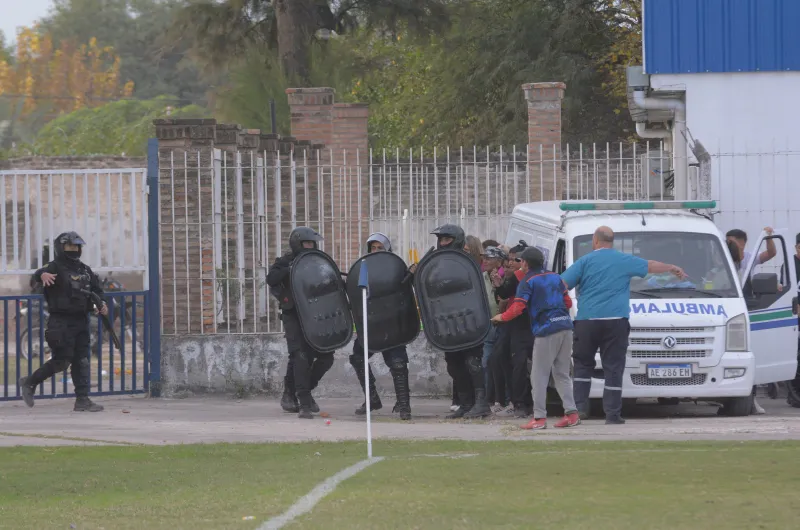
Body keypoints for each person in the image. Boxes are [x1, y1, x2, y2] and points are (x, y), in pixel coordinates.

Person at [561, 226, 686, 424]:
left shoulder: (584, 261)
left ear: (595, 240)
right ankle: (612, 414)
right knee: (613, 367)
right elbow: (651, 265)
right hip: (615, 321)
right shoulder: (623, 260)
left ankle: (580, 410)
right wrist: (672, 267)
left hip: (586, 321)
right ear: (613, 242)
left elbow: (563, 284)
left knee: (583, 365)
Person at [18, 232, 108, 412]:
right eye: (69, 247)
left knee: (81, 360)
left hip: (82, 320)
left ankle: (82, 400)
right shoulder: (54, 267)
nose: (73, 250)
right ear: (61, 248)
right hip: (61, 322)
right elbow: (38, 274)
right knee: (62, 361)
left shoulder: (84, 270)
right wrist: (42, 275)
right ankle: (30, 382)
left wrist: (102, 304)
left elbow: (98, 290)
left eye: (76, 247)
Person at [492, 247, 579, 429]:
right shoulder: (557, 277)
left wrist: (502, 317)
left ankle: (539, 418)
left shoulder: (527, 280)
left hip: (546, 329)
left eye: (520, 261)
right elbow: (568, 302)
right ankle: (571, 414)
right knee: (562, 373)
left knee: (538, 375)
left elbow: (518, 308)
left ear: (525, 263)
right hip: (565, 326)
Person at [267, 226, 335, 419]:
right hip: (293, 315)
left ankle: (297, 391)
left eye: (312, 244)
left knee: (326, 357)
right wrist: (291, 268)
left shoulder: (319, 262)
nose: (310, 247)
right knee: (300, 355)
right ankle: (304, 401)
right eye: (306, 243)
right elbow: (271, 279)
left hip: (316, 314)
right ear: (297, 244)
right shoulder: (285, 261)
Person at [427, 224, 491, 419]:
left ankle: (481, 404)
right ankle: (465, 403)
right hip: (447, 321)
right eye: (441, 239)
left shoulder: (467, 262)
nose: (443, 243)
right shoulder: (435, 264)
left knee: (472, 362)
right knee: (454, 364)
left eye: (447, 239)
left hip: (470, 320)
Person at [349, 232, 413, 420]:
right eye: (373, 248)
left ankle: (404, 406)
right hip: (372, 323)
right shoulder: (362, 268)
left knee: (398, 363)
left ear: (387, 250)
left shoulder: (396, 268)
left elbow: (408, 290)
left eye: (380, 248)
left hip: (393, 321)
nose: (376, 251)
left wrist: (413, 273)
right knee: (358, 357)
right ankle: (372, 399)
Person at [726, 227, 776, 415]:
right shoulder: (722, 259)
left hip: (746, 311)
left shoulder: (749, 258)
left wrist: (769, 237)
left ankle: (750, 399)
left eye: (731, 242)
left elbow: (771, 253)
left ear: (742, 243)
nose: (728, 245)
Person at [493, 240, 534, 417]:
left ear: (524, 262)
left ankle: (519, 403)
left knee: (515, 363)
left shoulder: (518, 277)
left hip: (519, 325)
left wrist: (498, 286)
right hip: (538, 325)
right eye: (509, 260)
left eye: (515, 260)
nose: (510, 263)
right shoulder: (545, 276)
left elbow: (504, 294)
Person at [481, 246, 506, 401]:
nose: (485, 261)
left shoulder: (505, 276)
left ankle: (500, 398)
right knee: (486, 361)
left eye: (489, 258)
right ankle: (486, 398)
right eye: (484, 258)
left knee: (501, 363)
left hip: (503, 324)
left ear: (498, 261)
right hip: (488, 324)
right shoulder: (481, 277)